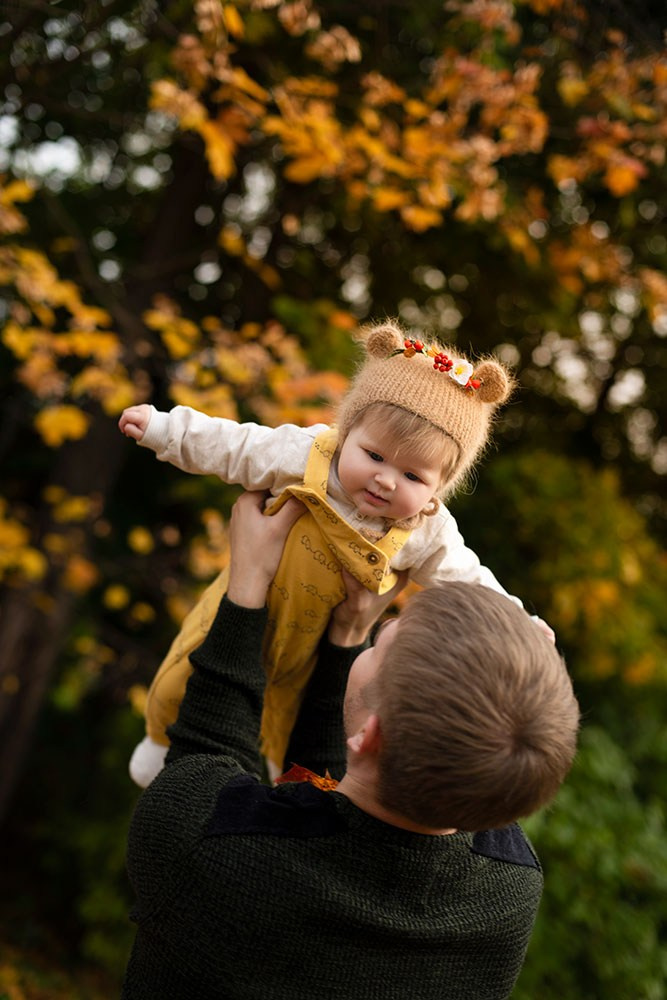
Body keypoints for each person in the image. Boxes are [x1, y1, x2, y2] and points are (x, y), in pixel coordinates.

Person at [122, 490, 580, 1000]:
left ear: (371, 736)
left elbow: (207, 755)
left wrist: (248, 585)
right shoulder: (508, 892)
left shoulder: (210, 848)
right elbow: (333, 809)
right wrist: (349, 634)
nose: (385, 625)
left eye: (381, 644)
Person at [119, 320, 553, 786]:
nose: (386, 480)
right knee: (185, 675)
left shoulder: (426, 530)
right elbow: (234, 446)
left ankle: (278, 778)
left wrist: (518, 622)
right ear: (346, 433)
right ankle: (159, 746)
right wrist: (166, 430)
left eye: (413, 477)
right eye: (375, 456)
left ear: (438, 489)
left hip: (312, 649)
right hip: (242, 613)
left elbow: (467, 579)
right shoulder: (305, 455)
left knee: (295, 718)